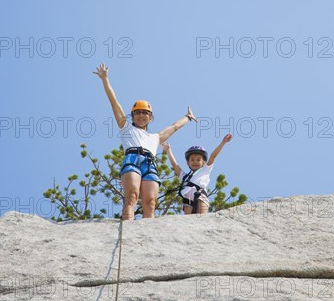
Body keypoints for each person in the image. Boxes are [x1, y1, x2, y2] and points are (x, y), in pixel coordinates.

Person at [93, 63, 197, 220]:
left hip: (150, 163)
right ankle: (127, 228)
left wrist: (188, 117)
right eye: (138, 113)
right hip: (132, 159)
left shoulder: (155, 137)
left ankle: (148, 236)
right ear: (133, 116)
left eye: (145, 113)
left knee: (150, 202)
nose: (141, 116)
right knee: (132, 196)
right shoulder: (126, 126)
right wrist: (105, 79)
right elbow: (114, 102)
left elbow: (174, 127)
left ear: (150, 117)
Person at [162, 134, 233, 215]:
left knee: (202, 219)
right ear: (188, 163)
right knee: (188, 221)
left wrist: (223, 143)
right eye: (192, 160)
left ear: (204, 162)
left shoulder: (205, 170)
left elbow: (213, 156)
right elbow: (175, 165)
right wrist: (168, 150)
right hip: (187, 199)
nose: (195, 162)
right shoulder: (184, 176)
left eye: (198, 160)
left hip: (200, 195)